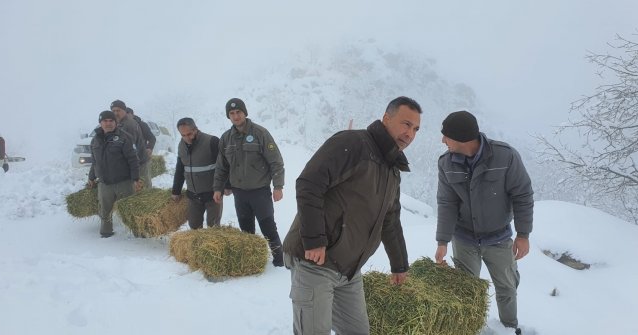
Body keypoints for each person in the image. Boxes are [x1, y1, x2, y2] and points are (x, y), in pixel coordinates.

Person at [282, 96, 422, 335]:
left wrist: (399, 265)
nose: (410, 134)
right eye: (405, 124)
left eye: (415, 129)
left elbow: (390, 220)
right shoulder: (353, 143)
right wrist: (315, 239)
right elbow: (309, 183)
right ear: (386, 118)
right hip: (316, 262)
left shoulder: (392, 170)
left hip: (349, 270)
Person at [434, 111, 533, 335]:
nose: (443, 141)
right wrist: (442, 241)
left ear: (461, 138)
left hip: (498, 238)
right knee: (466, 289)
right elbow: (446, 203)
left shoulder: (505, 156)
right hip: (464, 237)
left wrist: (523, 234)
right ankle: (469, 329)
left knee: (507, 288)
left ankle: (509, 328)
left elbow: (523, 194)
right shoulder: (446, 163)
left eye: (446, 136)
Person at [213, 98, 285, 267]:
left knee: (268, 227)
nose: (236, 116)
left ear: (244, 113)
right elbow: (221, 167)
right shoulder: (226, 139)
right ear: (228, 116)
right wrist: (218, 188)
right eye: (232, 113)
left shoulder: (260, 133)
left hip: (260, 191)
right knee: (246, 230)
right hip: (240, 193)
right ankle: (252, 261)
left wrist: (278, 186)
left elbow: (276, 161)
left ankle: (279, 260)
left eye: (238, 112)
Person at [87, 111, 142, 238]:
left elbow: (133, 159)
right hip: (104, 183)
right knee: (104, 210)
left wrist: (136, 179)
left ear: (115, 122)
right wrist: (91, 177)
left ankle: (138, 232)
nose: (108, 123)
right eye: (105, 121)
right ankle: (106, 233)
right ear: (100, 123)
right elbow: (94, 161)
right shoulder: (95, 140)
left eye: (111, 121)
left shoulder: (124, 137)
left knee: (129, 208)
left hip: (124, 181)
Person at [172, 117, 223, 229]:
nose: (187, 138)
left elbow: (223, 166)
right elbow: (180, 169)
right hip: (193, 195)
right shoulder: (181, 146)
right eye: (183, 135)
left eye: (189, 134)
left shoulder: (212, 141)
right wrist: (176, 190)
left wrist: (224, 187)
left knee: (213, 226)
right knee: (194, 226)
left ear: (196, 129)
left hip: (213, 195)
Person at [110, 100, 149, 188]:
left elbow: (131, 148)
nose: (116, 113)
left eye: (118, 110)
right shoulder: (119, 123)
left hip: (139, 163)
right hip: (132, 163)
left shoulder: (129, 124)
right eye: (113, 111)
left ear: (124, 110)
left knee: (143, 190)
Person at [127, 107, 157, 188]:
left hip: (141, 159)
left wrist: (149, 148)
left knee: (145, 182)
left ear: (132, 115)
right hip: (128, 162)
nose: (126, 116)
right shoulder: (119, 126)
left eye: (128, 114)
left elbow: (152, 138)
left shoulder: (141, 125)